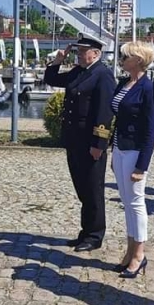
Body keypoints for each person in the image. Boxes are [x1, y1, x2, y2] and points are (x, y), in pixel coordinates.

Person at [44, 35, 115, 252]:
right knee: (82, 187)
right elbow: (53, 80)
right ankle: (85, 231)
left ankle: (95, 235)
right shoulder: (78, 72)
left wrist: (99, 143)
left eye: (83, 51)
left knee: (93, 189)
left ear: (96, 53)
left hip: (90, 141)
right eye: (78, 51)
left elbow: (104, 112)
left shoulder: (102, 75)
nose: (79, 54)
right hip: (74, 139)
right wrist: (57, 61)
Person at [110, 41, 154, 277]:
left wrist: (142, 166)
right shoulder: (124, 83)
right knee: (127, 202)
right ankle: (130, 249)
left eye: (125, 56)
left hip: (135, 150)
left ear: (138, 60)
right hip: (120, 147)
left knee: (136, 202)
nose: (121, 59)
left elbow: (151, 130)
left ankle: (139, 253)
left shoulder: (148, 88)